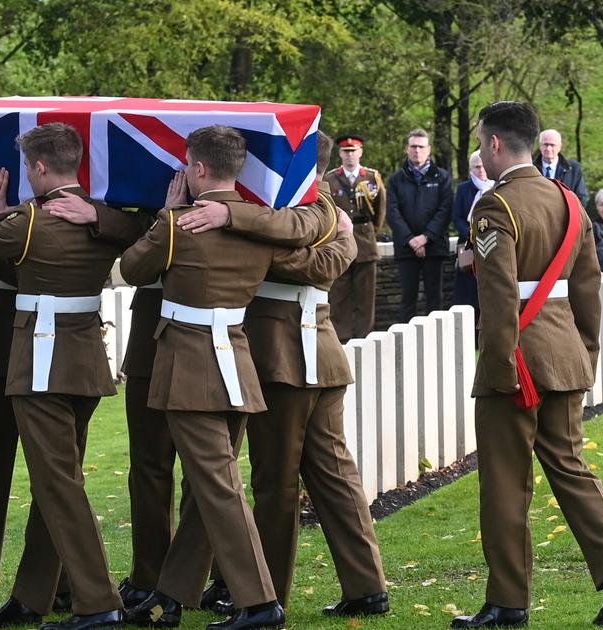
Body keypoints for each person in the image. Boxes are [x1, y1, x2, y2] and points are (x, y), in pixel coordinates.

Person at [119, 125, 345, 630]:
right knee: (208, 488)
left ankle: (259, 601)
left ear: (197, 169)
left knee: (218, 488)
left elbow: (133, 267)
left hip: (189, 368)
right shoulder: (260, 227)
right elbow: (307, 238)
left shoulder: (179, 226)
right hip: (238, 365)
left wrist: (168, 214)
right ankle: (172, 596)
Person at [455, 100, 603, 628]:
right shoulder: (568, 200)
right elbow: (589, 288)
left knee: (504, 483)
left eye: (480, 142)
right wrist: (584, 353)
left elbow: (498, 301)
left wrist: (498, 370)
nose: (480, 151)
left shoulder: (494, 207)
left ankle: (507, 602)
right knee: (571, 468)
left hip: (515, 364)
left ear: (495, 144)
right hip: (564, 355)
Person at [0, 122, 147, 630]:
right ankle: (32, 596)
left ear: (39, 168)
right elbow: (144, 230)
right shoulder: (102, 222)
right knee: (58, 481)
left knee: (60, 486)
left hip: (40, 365)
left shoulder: (27, 222)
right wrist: (100, 214)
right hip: (86, 364)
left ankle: (99, 601)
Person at [323, 134, 386, 341]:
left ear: (360, 152)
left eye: (353, 151)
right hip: (340, 240)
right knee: (339, 293)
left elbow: (380, 210)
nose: (350, 156)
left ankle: (364, 336)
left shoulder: (371, 177)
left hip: (365, 239)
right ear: (340, 153)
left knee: (365, 294)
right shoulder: (331, 178)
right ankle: (341, 336)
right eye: (345, 151)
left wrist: (370, 231)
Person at [386, 128, 452, 322]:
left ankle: (435, 345)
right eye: (413, 146)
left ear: (429, 149)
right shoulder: (396, 179)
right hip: (406, 249)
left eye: (421, 147)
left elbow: (445, 210)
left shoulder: (442, 177)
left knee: (435, 300)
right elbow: (392, 212)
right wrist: (411, 240)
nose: (417, 151)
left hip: (434, 247)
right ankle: (406, 347)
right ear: (407, 149)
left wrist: (426, 238)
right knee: (407, 300)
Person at [452, 150, 493, 312]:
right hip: (469, 246)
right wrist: (472, 236)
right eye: (477, 167)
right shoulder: (463, 189)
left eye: (483, 166)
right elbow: (457, 218)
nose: (481, 170)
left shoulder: (496, 186)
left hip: (491, 244)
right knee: (468, 293)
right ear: (471, 169)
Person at [533, 129, 590, 207]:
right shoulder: (531, 168)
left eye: (552, 145)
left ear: (559, 147)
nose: (548, 149)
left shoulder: (573, 169)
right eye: (545, 144)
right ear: (540, 146)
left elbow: (582, 198)